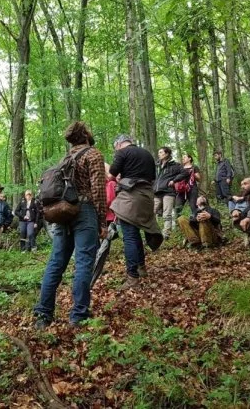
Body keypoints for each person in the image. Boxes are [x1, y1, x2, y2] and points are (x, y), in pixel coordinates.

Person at [34, 121, 106, 329]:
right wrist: (102, 221)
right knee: (83, 262)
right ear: (85, 135)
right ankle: (78, 315)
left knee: (56, 262)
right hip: (84, 211)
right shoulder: (93, 154)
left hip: (63, 212)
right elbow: (99, 191)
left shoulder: (65, 159)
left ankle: (44, 314)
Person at [109, 134, 164, 289]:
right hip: (147, 197)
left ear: (119, 144)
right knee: (136, 234)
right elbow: (152, 179)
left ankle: (132, 277)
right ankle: (141, 268)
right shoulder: (147, 154)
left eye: (115, 148)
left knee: (130, 237)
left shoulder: (122, 153)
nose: (116, 150)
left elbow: (111, 176)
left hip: (131, 198)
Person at [153, 147, 188, 239]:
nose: (159, 154)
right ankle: (153, 232)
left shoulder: (175, 165)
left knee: (166, 212)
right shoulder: (156, 165)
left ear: (167, 153)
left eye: (161, 152)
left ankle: (166, 233)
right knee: (151, 211)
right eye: (158, 152)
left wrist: (174, 180)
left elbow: (185, 173)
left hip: (168, 192)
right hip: (157, 192)